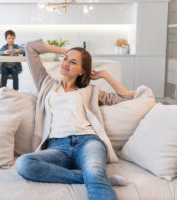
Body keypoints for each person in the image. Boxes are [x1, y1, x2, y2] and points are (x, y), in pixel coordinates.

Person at [15, 39, 134, 200]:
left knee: (94, 172)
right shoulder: (46, 84)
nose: (66, 63)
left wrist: (105, 75)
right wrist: (65, 51)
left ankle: (96, 179)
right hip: (57, 147)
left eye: (73, 62)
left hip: (88, 142)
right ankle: (95, 180)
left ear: (81, 71)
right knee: (24, 164)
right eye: (66, 59)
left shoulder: (90, 91)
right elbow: (31, 48)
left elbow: (126, 97)